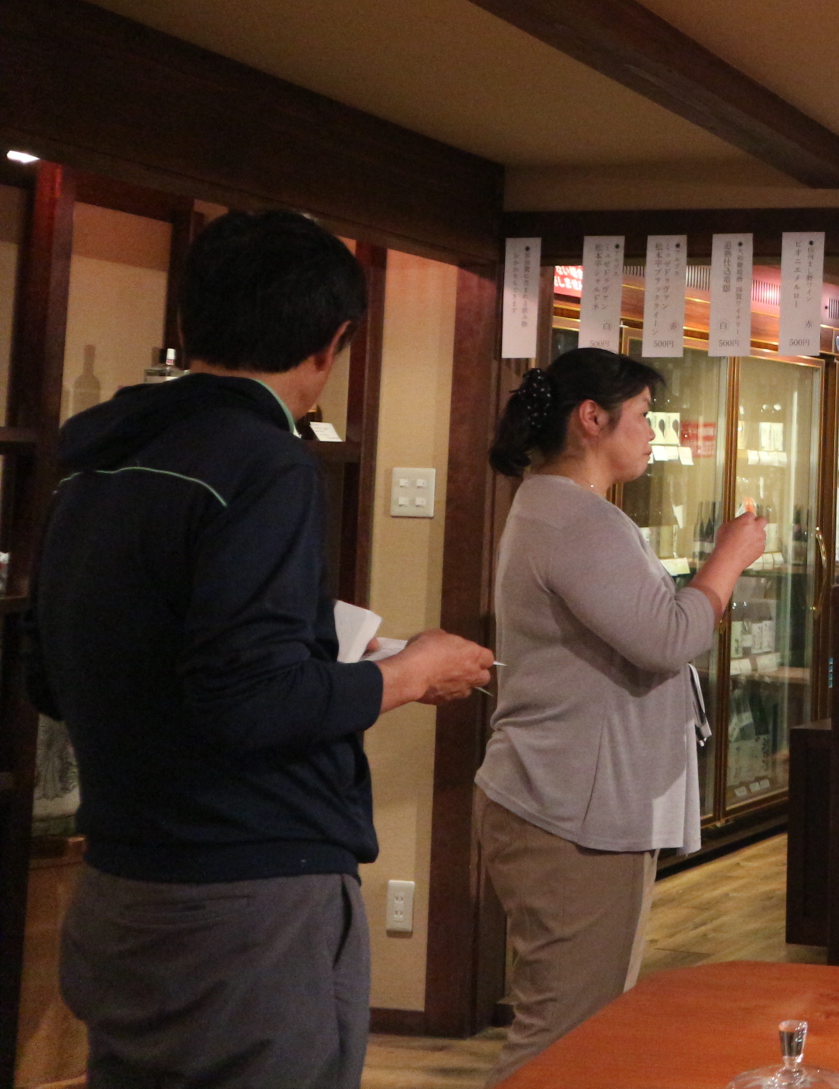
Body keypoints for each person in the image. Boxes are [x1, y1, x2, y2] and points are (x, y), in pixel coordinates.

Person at [29, 209, 495, 1089]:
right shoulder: (265, 461)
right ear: (332, 341)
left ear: (188, 320)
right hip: (246, 901)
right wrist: (409, 672)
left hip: (121, 882)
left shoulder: (96, 460)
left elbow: (50, 675)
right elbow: (250, 699)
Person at [477, 348, 767, 1083]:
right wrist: (729, 559)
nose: (650, 432)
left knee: (580, 1025)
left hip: (568, 797)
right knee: (565, 1034)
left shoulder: (557, 508)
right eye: (641, 415)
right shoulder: (577, 519)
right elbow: (667, 637)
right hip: (570, 807)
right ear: (592, 419)